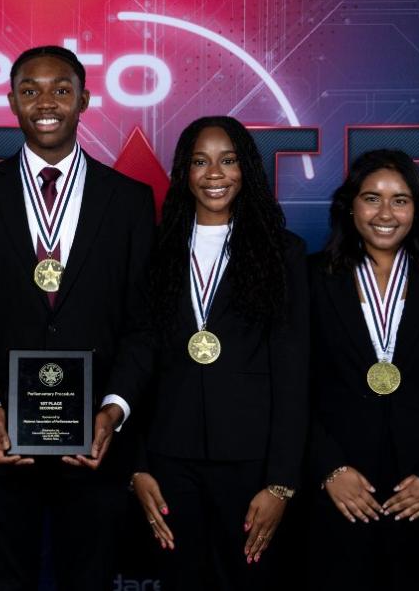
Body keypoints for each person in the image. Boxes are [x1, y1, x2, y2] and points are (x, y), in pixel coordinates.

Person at [0, 45, 154, 590]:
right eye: (30, 90)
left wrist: (113, 410)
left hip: (95, 445)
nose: (46, 102)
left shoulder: (128, 199)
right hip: (0, 443)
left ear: (85, 100)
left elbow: (145, 325)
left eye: (61, 89)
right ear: (11, 102)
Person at [129, 116, 308, 590]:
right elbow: (136, 362)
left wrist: (281, 483)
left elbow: (294, 376)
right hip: (170, 463)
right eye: (200, 162)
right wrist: (137, 465)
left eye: (228, 161)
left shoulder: (282, 253)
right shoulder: (156, 251)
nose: (214, 174)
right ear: (183, 173)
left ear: (246, 169)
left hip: (252, 467)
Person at [305, 149, 419, 590]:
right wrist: (328, 468)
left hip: (418, 491)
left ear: (417, 209)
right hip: (337, 489)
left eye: (400, 200)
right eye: (371, 198)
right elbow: (290, 385)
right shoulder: (309, 277)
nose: (386, 213)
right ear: (349, 206)